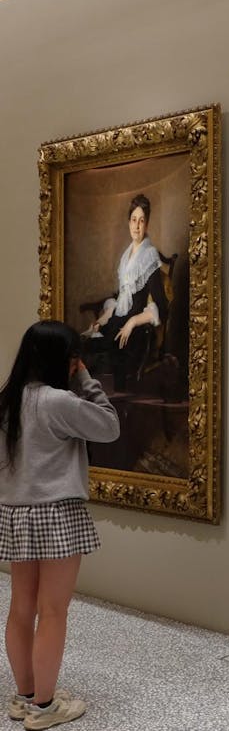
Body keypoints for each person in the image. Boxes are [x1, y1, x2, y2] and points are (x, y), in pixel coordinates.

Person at [0, 321, 120, 729]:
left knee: (21, 609)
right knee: (53, 612)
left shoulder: (7, 400)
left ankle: (25, 697)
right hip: (56, 514)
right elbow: (109, 425)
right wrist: (86, 378)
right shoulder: (57, 402)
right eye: (73, 357)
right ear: (63, 360)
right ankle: (45, 708)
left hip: (15, 512)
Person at [82, 194, 168, 391]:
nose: (137, 226)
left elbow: (161, 307)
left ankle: (115, 402)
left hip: (136, 329)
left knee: (100, 349)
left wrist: (132, 322)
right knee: (87, 340)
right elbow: (121, 298)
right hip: (119, 320)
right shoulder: (126, 256)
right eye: (134, 220)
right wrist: (102, 320)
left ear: (147, 224)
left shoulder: (150, 255)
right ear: (129, 222)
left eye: (142, 221)